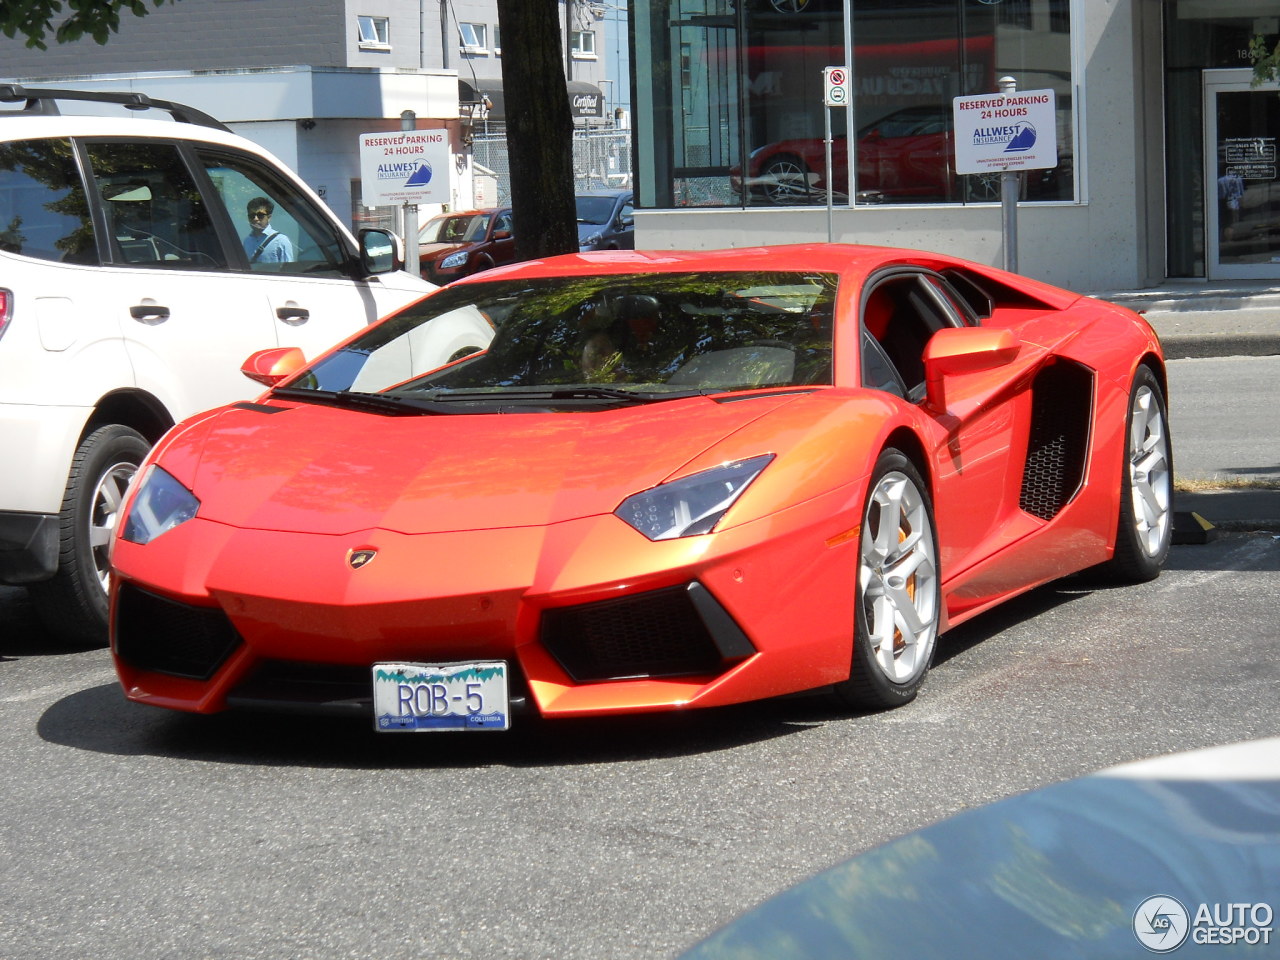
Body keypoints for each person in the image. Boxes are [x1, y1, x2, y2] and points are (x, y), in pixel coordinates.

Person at [243, 197, 294, 263]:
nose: (255, 219)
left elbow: (288, 270)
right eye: (252, 215)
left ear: (269, 217)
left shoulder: (281, 241)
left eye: (260, 215)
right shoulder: (247, 242)